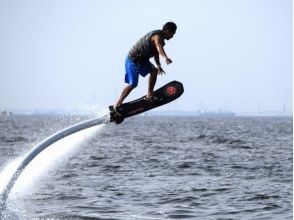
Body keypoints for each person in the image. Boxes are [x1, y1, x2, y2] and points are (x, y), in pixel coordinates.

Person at [114, 21, 177, 111]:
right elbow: (158, 47)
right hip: (133, 60)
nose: (172, 36)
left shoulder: (161, 40)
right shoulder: (157, 36)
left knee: (154, 71)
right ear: (167, 30)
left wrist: (158, 65)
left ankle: (149, 95)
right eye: (172, 33)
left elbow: (156, 52)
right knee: (133, 84)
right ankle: (117, 104)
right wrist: (165, 58)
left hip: (142, 60)